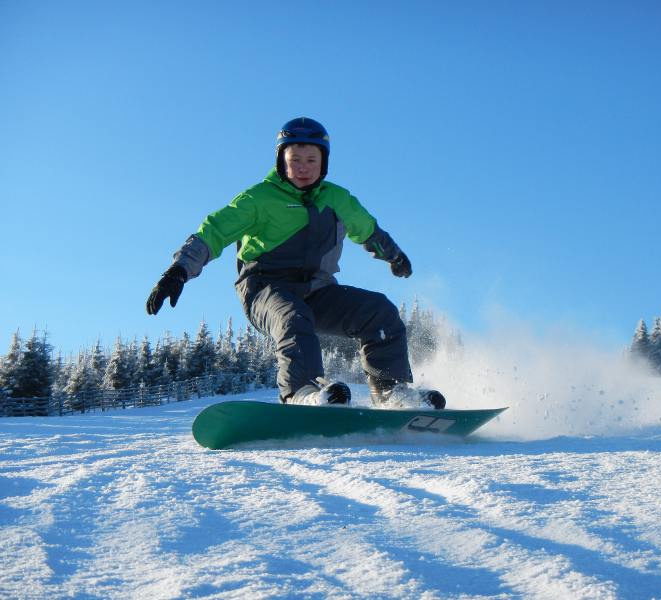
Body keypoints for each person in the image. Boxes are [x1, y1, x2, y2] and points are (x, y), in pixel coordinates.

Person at [146, 117, 445, 409]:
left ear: (324, 163)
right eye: (295, 159)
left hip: (318, 290)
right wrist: (179, 271)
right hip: (264, 289)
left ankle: (391, 392)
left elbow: (368, 230)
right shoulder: (258, 199)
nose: (303, 167)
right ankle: (302, 391)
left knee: (379, 313)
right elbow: (213, 232)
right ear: (281, 161)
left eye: (311, 160)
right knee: (293, 316)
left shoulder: (337, 200)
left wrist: (393, 255)